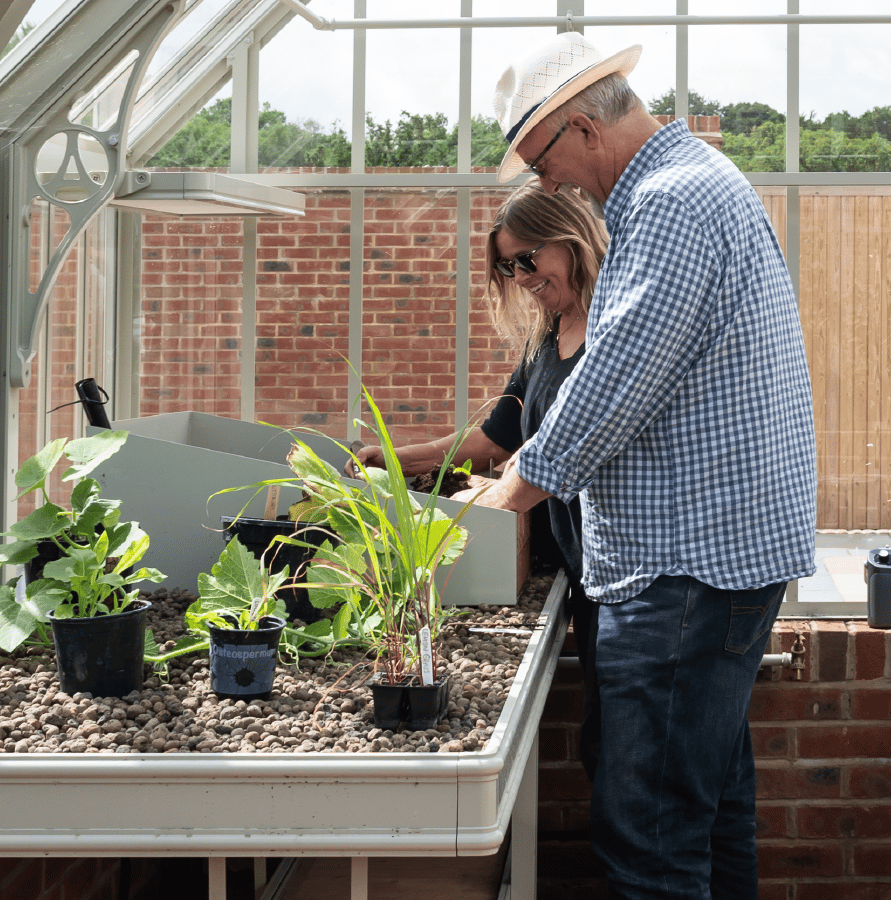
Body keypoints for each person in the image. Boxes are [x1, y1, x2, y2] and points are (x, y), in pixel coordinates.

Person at [451, 31, 818, 899]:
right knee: (708, 810)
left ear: (582, 127)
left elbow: (608, 388)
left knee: (649, 841)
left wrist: (496, 506)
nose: (547, 188)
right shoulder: (682, 190)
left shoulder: (671, 202)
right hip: (707, 559)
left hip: (682, 569)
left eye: (542, 163)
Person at [349, 180, 607, 661]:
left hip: (621, 569)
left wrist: (491, 498)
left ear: (569, 239)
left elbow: (571, 449)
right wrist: (394, 458)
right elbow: (497, 437)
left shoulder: (616, 332)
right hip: (580, 567)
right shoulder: (547, 337)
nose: (521, 277)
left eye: (527, 259)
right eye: (509, 267)